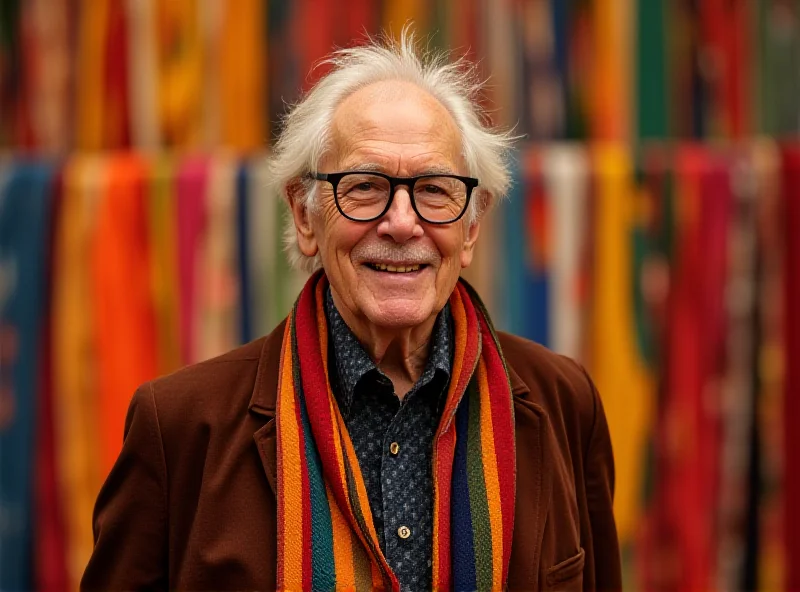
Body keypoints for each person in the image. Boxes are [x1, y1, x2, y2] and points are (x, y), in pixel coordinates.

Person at [81, 31, 620, 592]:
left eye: (435, 189)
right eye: (364, 187)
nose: (403, 222)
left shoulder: (563, 404)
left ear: (472, 226)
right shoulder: (180, 427)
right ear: (305, 216)